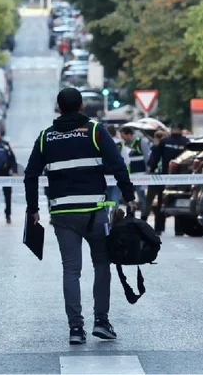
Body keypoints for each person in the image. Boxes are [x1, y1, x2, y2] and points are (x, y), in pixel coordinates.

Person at [24, 88, 137, 344]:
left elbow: (30, 174)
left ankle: (76, 329)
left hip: (63, 214)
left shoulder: (46, 137)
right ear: (82, 105)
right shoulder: (95, 131)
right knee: (101, 264)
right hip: (94, 212)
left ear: (58, 107)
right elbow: (118, 164)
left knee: (71, 270)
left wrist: (33, 209)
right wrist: (129, 196)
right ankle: (102, 322)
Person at [148, 123, 190, 235]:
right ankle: (179, 229)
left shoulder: (164, 142)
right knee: (179, 201)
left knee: (162, 202)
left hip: (165, 176)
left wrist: (152, 169)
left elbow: (155, 157)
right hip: (182, 178)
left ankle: (158, 228)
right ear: (181, 130)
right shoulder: (186, 142)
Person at [118, 126, 149, 218]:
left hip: (141, 176)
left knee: (142, 198)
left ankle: (143, 218)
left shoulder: (141, 142)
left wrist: (148, 173)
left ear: (130, 134)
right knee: (129, 199)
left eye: (123, 136)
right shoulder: (123, 144)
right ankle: (131, 218)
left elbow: (147, 158)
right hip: (129, 177)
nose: (122, 138)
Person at [144, 130, 169, 231]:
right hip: (164, 178)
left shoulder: (155, 149)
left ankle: (143, 221)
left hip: (154, 177)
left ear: (156, 139)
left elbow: (151, 162)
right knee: (160, 202)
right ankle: (159, 227)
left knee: (149, 201)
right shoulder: (167, 150)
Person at [105, 124, 130, 207]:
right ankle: (115, 218)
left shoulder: (103, 142)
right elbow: (126, 161)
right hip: (117, 175)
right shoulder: (120, 144)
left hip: (105, 175)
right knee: (115, 198)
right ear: (115, 133)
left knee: (106, 199)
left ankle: (106, 219)